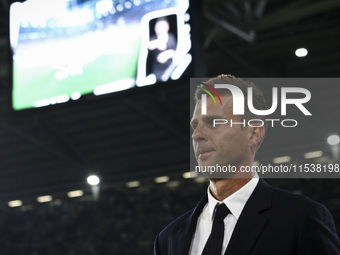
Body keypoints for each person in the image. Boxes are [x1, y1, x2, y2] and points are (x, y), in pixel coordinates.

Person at [154, 74, 340, 255]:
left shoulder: (300, 217)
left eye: (214, 122)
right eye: (196, 125)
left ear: (254, 134)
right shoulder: (168, 238)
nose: (197, 134)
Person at [148, 17, 176, 82]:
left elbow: (174, 51)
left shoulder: (171, 37)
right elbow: (150, 46)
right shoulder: (153, 38)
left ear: (167, 27)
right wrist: (159, 42)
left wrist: (167, 54)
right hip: (158, 72)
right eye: (158, 27)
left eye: (162, 26)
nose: (160, 29)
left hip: (171, 69)